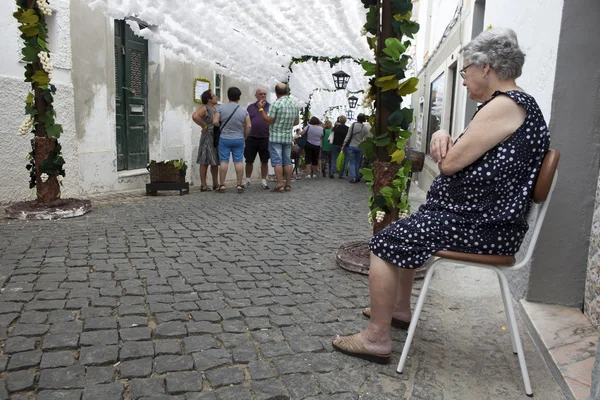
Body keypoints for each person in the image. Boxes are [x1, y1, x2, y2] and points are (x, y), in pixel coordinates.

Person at [332, 27, 550, 364]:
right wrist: (444, 134)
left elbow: (449, 164)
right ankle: (400, 310)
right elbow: (464, 151)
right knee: (408, 230)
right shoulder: (510, 105)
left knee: (384, 242)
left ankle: (375, 338)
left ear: (486, 67)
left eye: (465, 71)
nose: (463, 80)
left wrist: (442, 139)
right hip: (484, 220)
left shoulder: (506, 104)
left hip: (484, 226)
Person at [258, 83, 299, 192]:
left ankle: (280, 184)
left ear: (276, 93)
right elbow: (297, 121)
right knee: (287, 161)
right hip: (287, 137)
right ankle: (288, 184)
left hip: (275, 137)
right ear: (287, 91)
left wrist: (261, 110)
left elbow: (268, 121)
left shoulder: (276, 104)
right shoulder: (294, 104)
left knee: (277, 162)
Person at [213, 87, 251, 193]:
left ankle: (222, 185)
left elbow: (215, 121)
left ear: (228, 95)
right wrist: (245, 136)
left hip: (224, 138)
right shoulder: (244, 110)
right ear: (239, 97)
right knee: (238, 162)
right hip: (239, 138)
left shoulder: (221, 108)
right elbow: (248, 126)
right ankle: (239, 185)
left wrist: (220, 125)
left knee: (224, 162)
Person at [192, 90, 219, 191]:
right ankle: (203, 184)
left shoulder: (215, 109)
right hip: (208, 136)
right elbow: (195, 116)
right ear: (209, 98)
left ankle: (215, 183)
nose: (216, 97)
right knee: (205, 160)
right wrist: (204, 125)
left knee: (215, 160)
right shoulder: (205, 108)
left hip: (214, 136)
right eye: (214, 96)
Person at [244, 88, 271, 190]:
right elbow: (245, 121)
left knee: (264, 160)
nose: (263, 96)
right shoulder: (250, 107)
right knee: (249, 160)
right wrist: (245, 134)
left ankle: (264, 180)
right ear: (256, 96)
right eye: (260, 94)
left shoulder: (270, 107)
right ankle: (247, 180)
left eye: (264, 94)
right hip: (251, 137)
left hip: (265, 137)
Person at [342, 113, 371, 183]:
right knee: (358, 163)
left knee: (352, 162)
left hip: (352, 145)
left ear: (357, 118)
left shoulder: (353, 125)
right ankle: (356, 176)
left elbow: (348, 136)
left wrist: (344, 144)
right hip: (360, 147)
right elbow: (366, 139)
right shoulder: (365, 128)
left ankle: (353, 177)